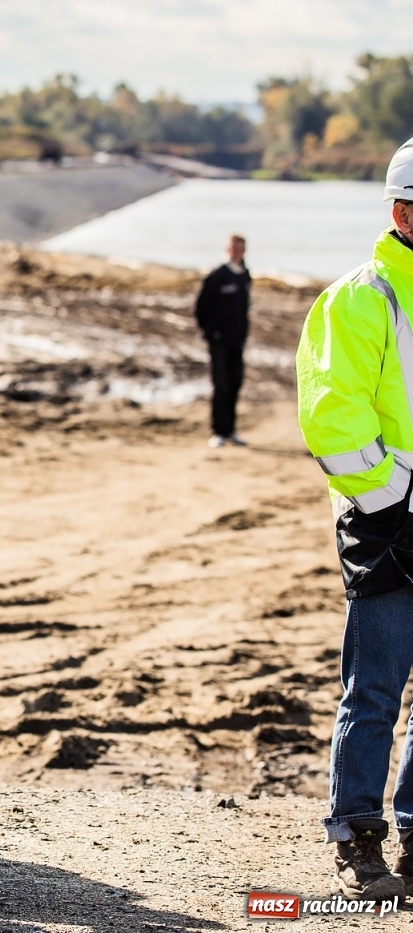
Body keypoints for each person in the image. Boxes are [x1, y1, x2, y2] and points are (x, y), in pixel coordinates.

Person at [295, 136, 413, 901]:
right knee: (374, 690)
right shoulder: (361, 299)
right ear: (404, 214)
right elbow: (333, 419)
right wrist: (393, 498)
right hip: (386, 526)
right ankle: (357, 836)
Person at [196, 233, 251, 448]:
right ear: (227, 249)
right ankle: (218, 431)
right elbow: (201, 308)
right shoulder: (217, 276)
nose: (237, 251)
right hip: (219, 341)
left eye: (240, 248)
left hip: (237, 341)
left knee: (235, 383)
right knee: (220, 385)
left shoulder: (245, 275)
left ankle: (231, 430)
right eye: (234, 247)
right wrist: (211, 333)